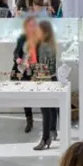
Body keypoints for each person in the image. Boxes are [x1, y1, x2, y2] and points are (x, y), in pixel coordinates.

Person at [32, 21, 59, 151]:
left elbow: (42, 67)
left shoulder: (43, 46)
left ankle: (45, 138)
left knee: (45, 110)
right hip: (52, 78)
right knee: (52, 107)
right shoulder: (51, 44)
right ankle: (52, 130)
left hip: (45, 79)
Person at [12, 17, 40, 133]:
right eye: (29, 26)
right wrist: (17, 59)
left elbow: (41, 56)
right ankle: (29, 119)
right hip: (22, 69)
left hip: (35, 70)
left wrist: (33, 64)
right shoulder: (21, 39)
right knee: (24, 93)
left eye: (33, 25)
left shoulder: (39, 39)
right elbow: (15, 52)